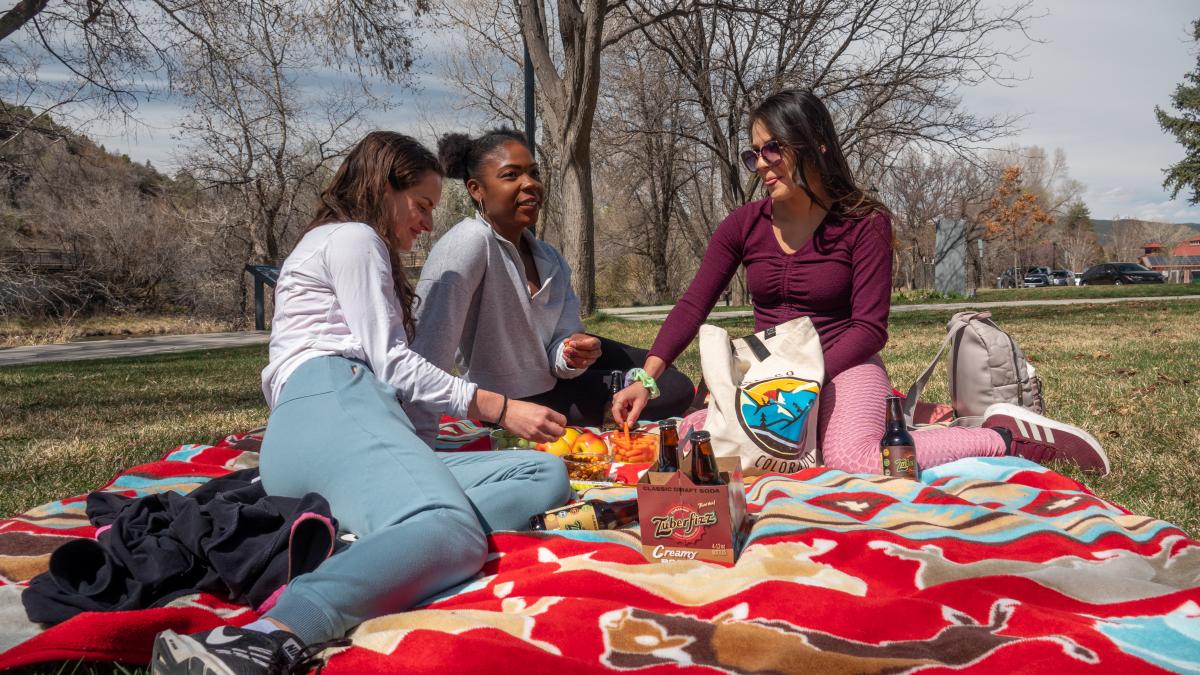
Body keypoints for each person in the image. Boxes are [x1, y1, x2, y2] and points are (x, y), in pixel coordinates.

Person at [150, 132, 572, 674]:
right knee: (453, 534)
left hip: (342, 426)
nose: (425, 224)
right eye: (420, 206)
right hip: (331, 402)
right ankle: (266, 635)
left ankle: (370, 551)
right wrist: (498, 406)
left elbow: (390, 377)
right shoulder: (352, 237)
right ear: (382, 188)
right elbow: (391, 361)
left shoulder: (349, 244)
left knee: (543, 475)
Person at [612, 90, 1109, 476]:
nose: (761, 164)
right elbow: (694, 303)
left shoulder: (864, 222)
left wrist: (803, 384)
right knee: (691, 448)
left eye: (773, 150)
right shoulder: (742, 225)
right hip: (766, 379)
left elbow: (870, 328)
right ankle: (898, 417)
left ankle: (1003, 437)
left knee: (855, 459)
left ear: (816, 146)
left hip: (843, 366)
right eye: (754, 153)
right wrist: (648, 378)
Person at [406, 127, 694, 441]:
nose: (530, 183)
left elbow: (559, 352)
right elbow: (423, 356)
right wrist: (422, 437)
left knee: (661, 370)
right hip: (510, 402)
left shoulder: (549, 258)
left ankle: (616, 394)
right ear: (477, 189)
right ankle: (612, 408)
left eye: (534, 173)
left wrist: (572, 354)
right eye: (510, 175)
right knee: (675, 390)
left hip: (550, 376)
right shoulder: (468, 244)